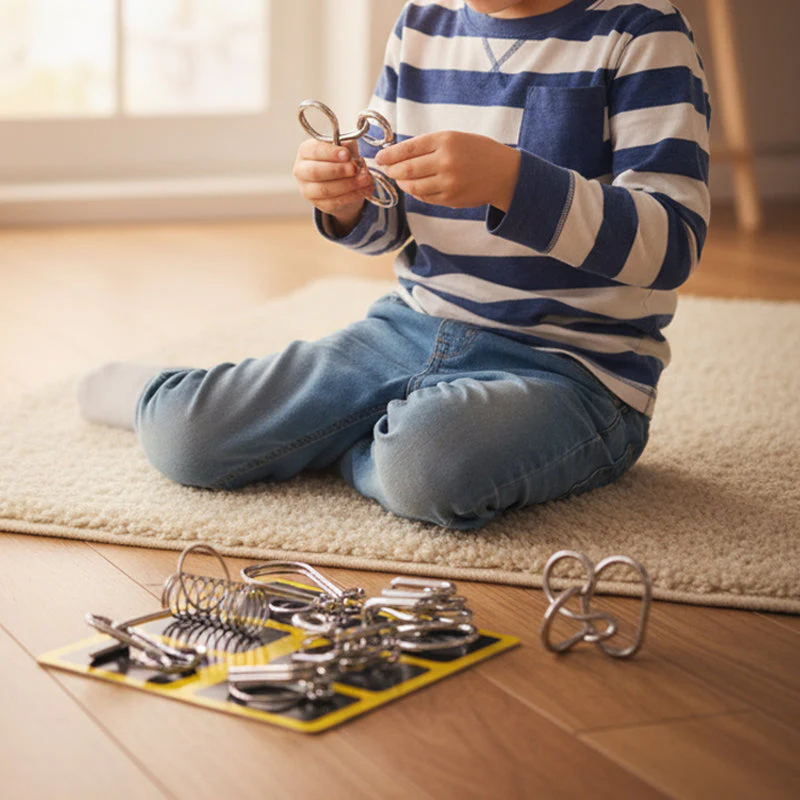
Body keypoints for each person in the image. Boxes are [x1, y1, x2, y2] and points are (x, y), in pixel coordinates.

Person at [79, 0, 711, 530]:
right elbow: (391, 219)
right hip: (409, 330)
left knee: (431, 468)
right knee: (186, 439)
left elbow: (673, 241)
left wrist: (512, 181)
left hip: (574, 371)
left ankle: (338, 435)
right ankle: (186, 397)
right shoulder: (422, 23)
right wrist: (346, 203)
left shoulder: (642, 32)